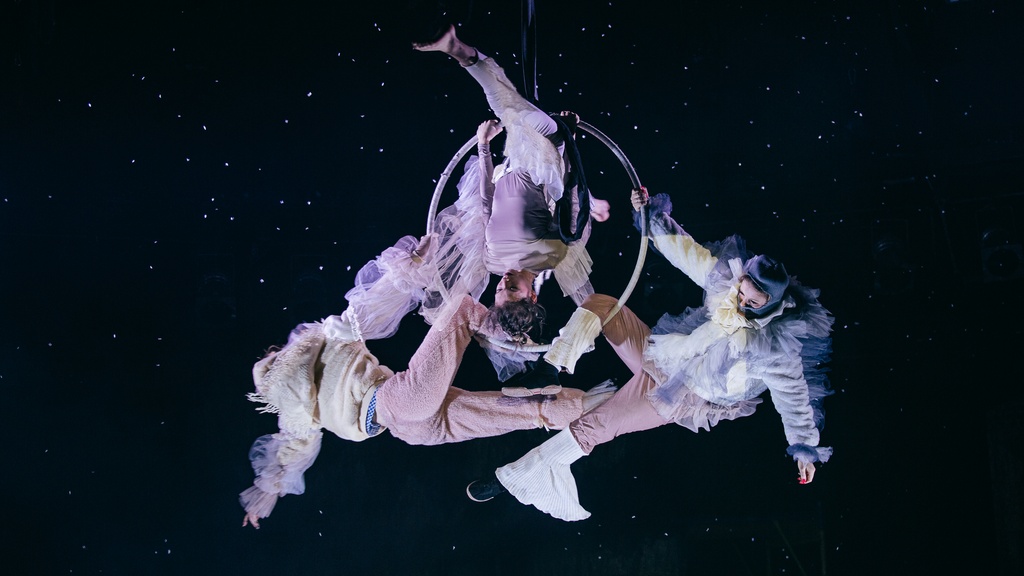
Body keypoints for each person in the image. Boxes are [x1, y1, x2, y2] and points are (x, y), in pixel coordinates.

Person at [465, 188, 835, 520]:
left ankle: (513, 478)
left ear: (770, 304)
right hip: (664, 357)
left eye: (752, 303)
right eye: (741, 293)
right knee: (603, 303)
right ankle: (551, 368)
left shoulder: (775, 347)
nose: (741, 303)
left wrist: (804, 448)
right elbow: (687, 252)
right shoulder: (727, 280)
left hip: (682, 394)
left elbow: (794, 398)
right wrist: (651, 217)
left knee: (595, 427)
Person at [239, 234, 614, 528]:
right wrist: (409, 267)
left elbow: (294, 448)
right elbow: (370, 306)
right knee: (463, 307)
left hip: (406, 429)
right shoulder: (316, 344)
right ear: (276, 357)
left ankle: (590, 405)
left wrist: (267, 494)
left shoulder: (297, 401)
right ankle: (511, 331)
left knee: (513, 411)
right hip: (395, 400)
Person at [414, 24, 611, 319]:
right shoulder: (552, 257)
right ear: (532, 294)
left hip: (510, 161)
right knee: (508, 107)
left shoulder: (492, 262)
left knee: (509, 105)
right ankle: (459, 51)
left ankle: (461, 52)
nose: (504, 282)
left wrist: (483, 146)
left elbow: (486, 204)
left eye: (499, 290)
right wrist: (568, 138)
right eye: (512, 289)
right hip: (543, 156)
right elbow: (569, 197)